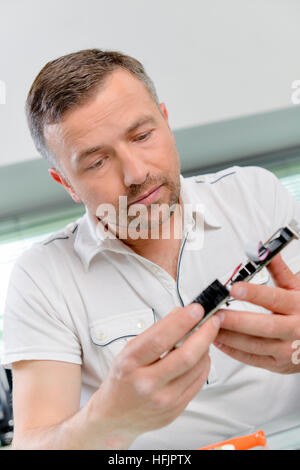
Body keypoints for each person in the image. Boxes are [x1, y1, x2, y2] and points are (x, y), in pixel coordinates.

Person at [1, 49, 300, 450]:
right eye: (96, 162)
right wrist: (107, 421)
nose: (136, 173)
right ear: (66, 183)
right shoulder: (42, 275)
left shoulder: (255, 194)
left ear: (166, 121)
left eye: (142, 136)